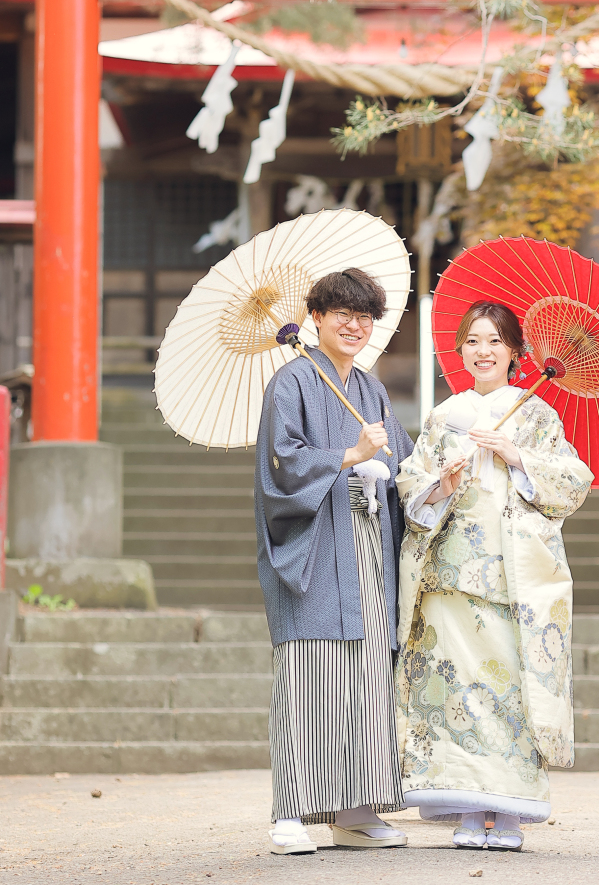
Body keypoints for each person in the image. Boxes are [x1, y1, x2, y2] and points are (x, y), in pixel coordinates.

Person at [394, 301, 593, 851]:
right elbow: (409, 484)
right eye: (473, 341)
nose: (482, 351)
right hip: (449, 579)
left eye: (495, 341)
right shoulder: (444, 417)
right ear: (460, 351)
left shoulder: (535, 416)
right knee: (454, 690)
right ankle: (466, 807)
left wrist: (518, 456)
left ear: (514, 353)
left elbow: (573, 482)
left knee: (509, 693)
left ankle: (508, 815)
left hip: (511, 578)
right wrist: (439, 484)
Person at [254, 267, 414, 855]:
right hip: (317, 540)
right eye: (342, 313)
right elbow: (281, 463)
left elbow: (401, 460)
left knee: (369, 673)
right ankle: (290, 812)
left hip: (368, 542)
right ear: (315, 318)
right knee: (310, 673)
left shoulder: (370, 389)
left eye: (364, 316)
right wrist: (349, 454)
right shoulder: (291, 382)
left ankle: (355, 809)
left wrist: (430, 478)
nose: (354, 325)